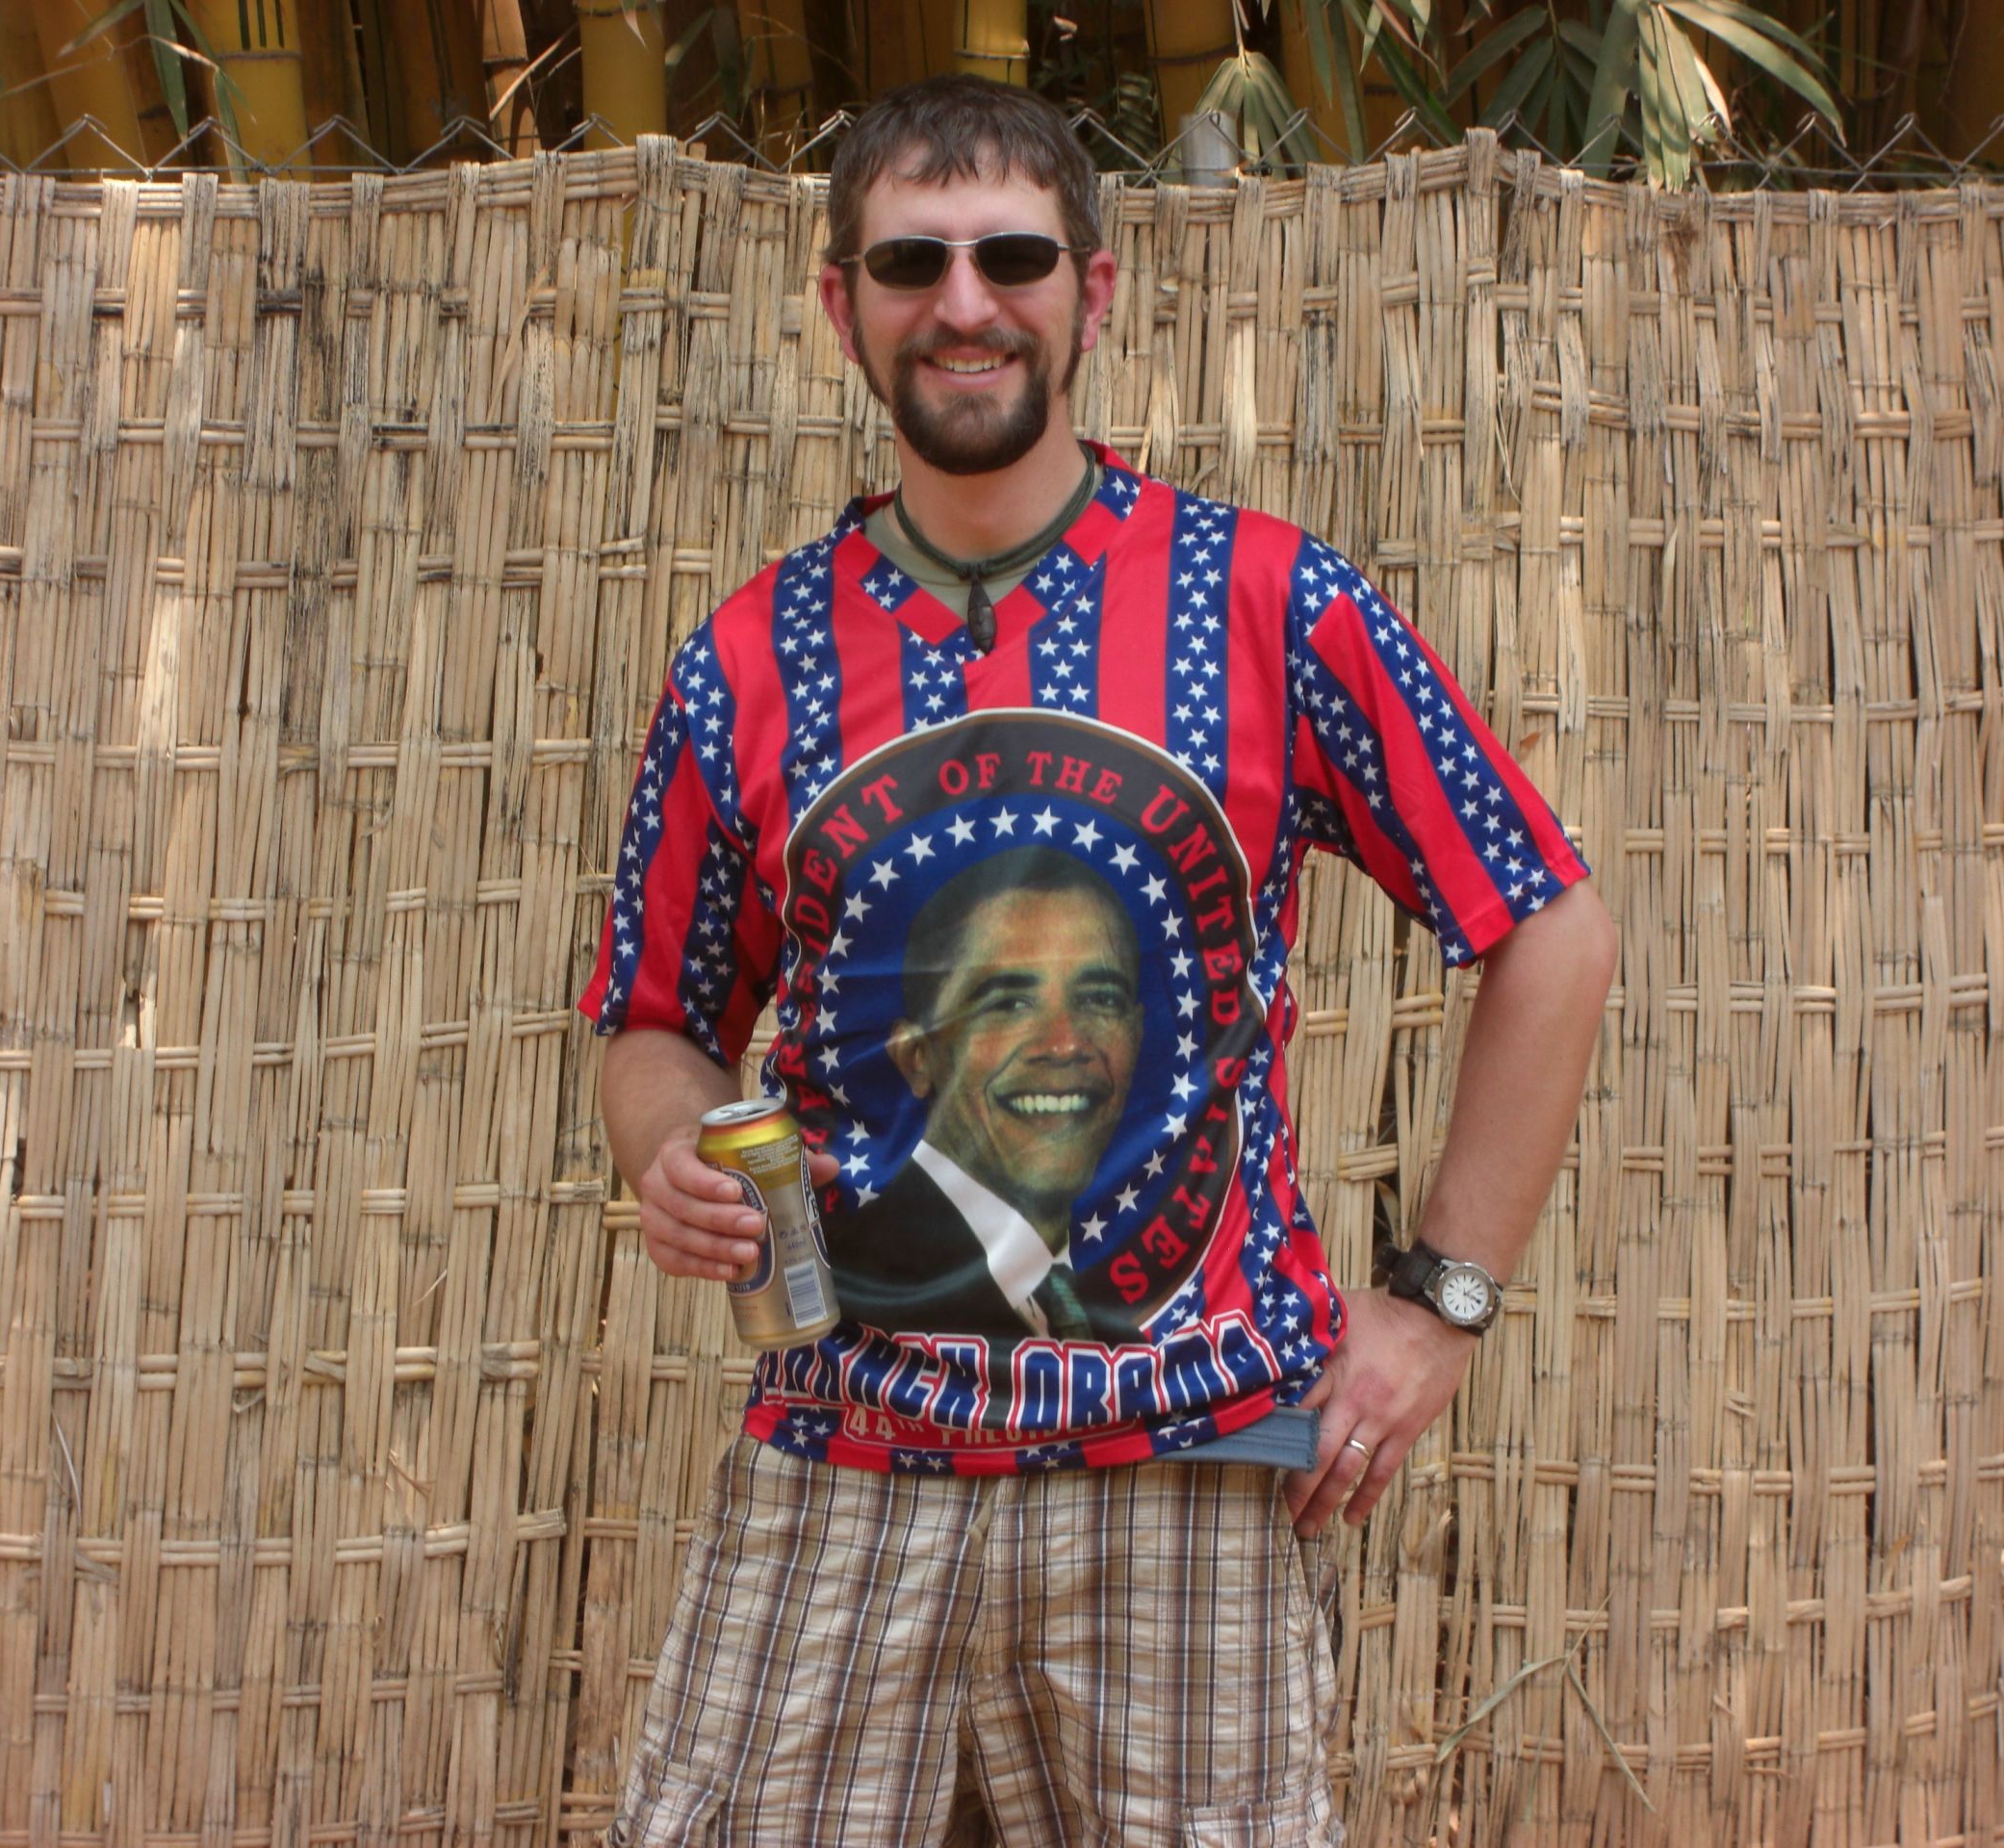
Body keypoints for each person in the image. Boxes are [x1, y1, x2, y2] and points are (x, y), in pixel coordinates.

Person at [583, 72, 1617, 1847]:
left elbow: (1546, 924)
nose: (963, 302)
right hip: (851, 1453)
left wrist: (1438, 1306)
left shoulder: (1267, 602)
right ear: (840, 301)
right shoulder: (748, 660)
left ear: (1095, 289)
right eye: (910, 261)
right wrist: (669, 1144)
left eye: (1012, 258)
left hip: (1193, 1467)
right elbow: (658, 1020)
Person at [843, 846, 1145, 1342]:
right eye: (1009, 1004)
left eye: (1100, 998)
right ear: (918, 1056)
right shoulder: (856, 1280)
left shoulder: (1120, 1325)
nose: (1066, 1044)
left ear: (1137, 1032)